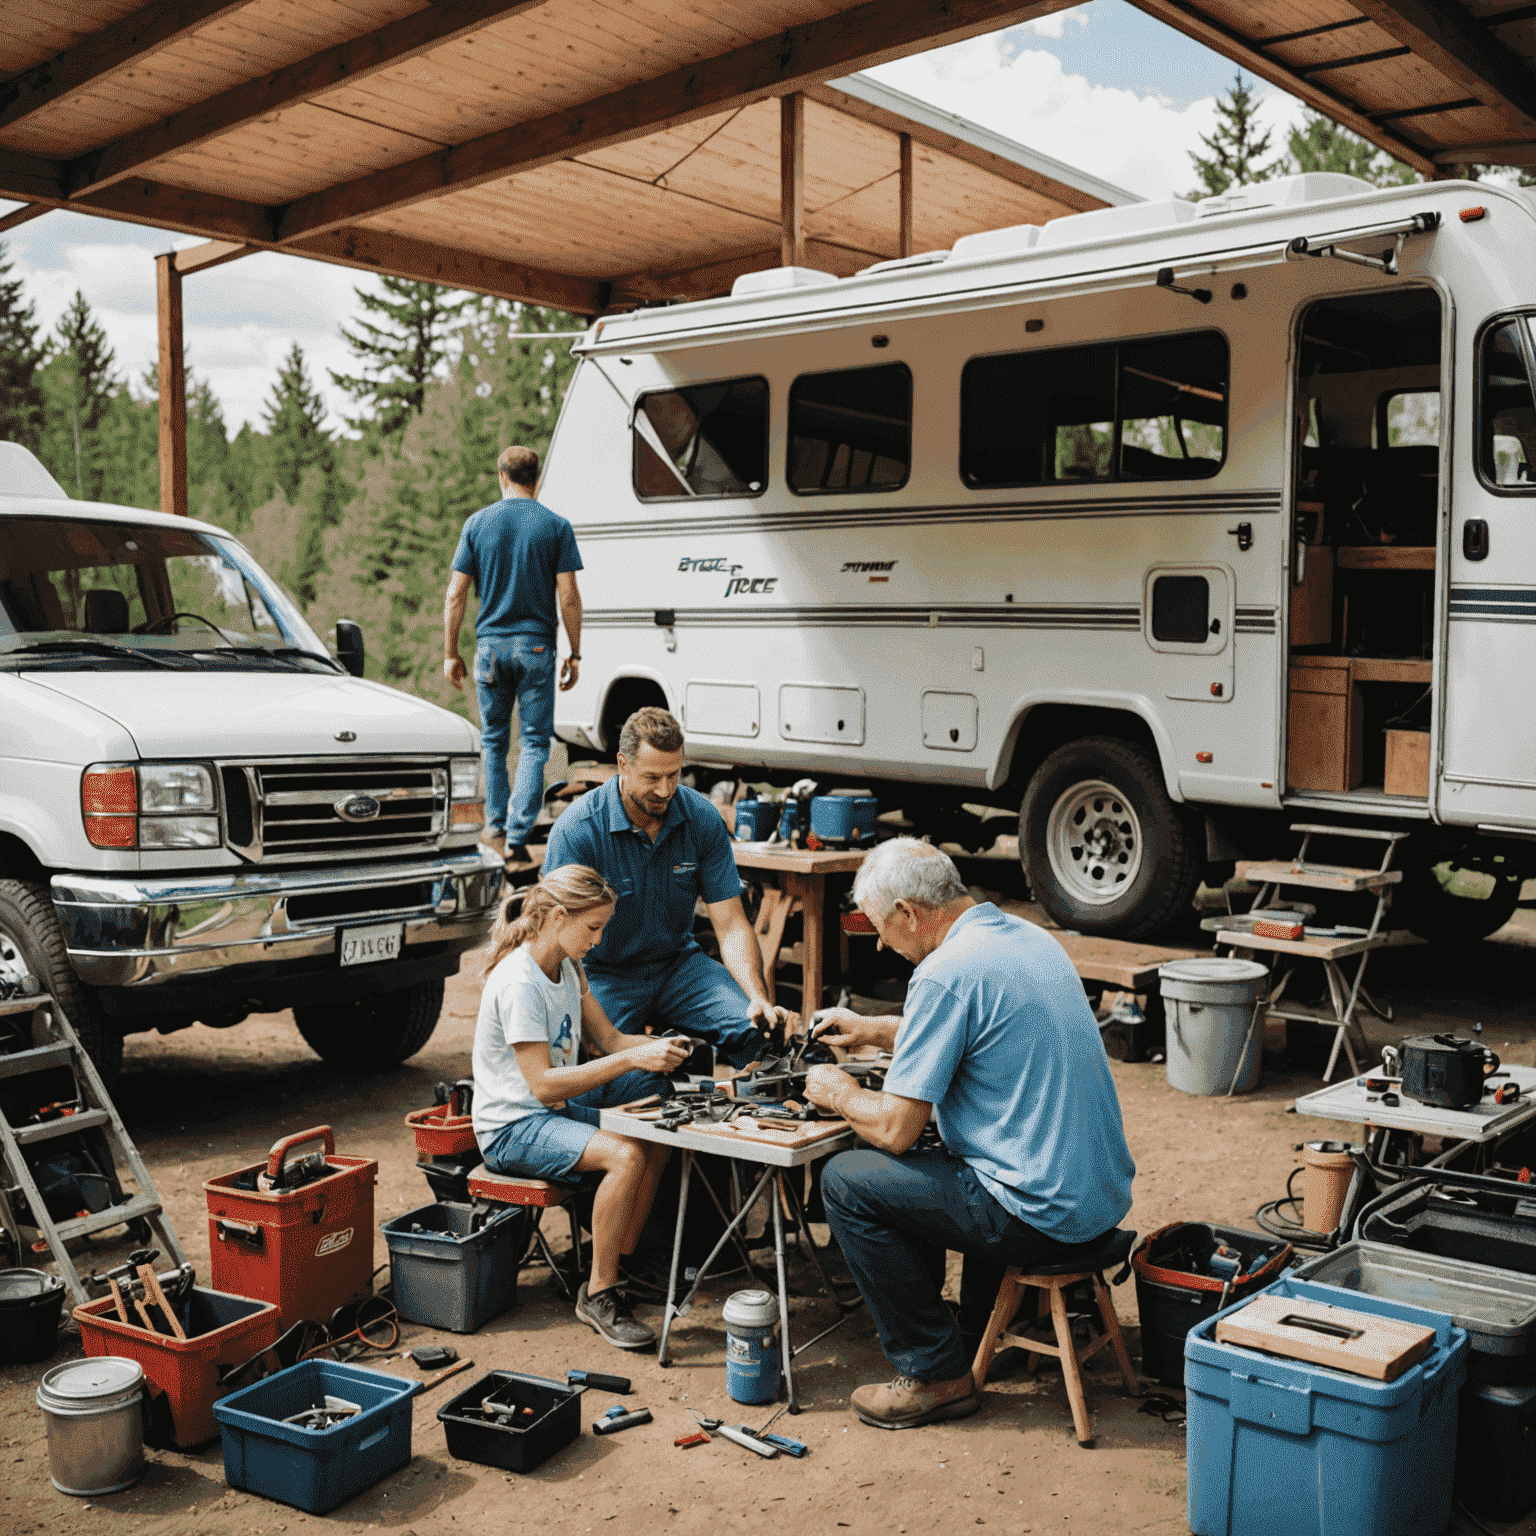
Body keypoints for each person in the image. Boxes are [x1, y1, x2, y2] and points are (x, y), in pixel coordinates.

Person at [802, 838, 1136, 1430]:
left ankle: (936, 1375)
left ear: (908, 913)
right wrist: (875, 1030)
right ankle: (976, 1328)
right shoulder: (1028, 937)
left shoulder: (943, 973)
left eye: (882, 927)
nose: (881, 944)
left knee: (849, 1179)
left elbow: (897, 1130)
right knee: (933, 1158)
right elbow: (974, 1025)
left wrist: (839, 1094)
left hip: (1041, 1218)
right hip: (1097, 1201)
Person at [471, 863, 692, 1349]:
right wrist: (635, 1057)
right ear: (555, 918)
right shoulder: (520, 983)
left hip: (545, 1115)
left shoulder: (568, 966)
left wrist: (663, 1049)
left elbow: (610, 1039)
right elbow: (545, 1085)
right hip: (511, 1127)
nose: (598, 940)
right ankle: (599, 1294)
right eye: (592, 928)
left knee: (654, 1137)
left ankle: (617, 1264)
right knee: (625, 1154)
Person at [544, 706, 792, 1068]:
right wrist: (585, 1018)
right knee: (607, 1075)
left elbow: (731, 924)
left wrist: (757, 997)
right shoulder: (578, 831)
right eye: (652, 777)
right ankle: (681, 1057)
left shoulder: (701, 818)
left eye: (674, 776)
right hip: (605, 974)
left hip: (680, 967)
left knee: (759, 1035)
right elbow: (556, 939)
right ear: (623, 766)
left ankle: (692, 1056)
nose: (664, 790)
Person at [443, 444, 583, 865]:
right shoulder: (556, 526)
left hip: (490, 647)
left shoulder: (477, 523)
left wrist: (450, 651)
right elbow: (570, 597)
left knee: (493, 740)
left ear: (501, 476)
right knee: (535, 742)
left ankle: (494, 828)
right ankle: (519, 835)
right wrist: (575, 653)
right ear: (536, 479)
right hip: (537, 646)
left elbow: (456, 594)